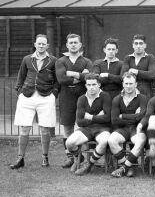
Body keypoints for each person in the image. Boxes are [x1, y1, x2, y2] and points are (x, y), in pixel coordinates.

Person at [10, 34, 59, 169]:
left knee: (44, 129)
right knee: (24, 128)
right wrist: (19, 91)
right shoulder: (27, 59)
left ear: (47, 46)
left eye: (44, 44)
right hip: (27, 96)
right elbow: (21, 76)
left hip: (46, 96)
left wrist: (54, 94)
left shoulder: (53, 60)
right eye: (39, 44)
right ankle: (20, 159)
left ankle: (45, 157)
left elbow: (57, 80)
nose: (41, 46)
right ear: (35, 44)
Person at [56, 33, 92, 169]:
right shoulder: (61, 61)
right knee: (68, 127)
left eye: (75, 42)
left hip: (83, 96)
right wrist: (79, 76)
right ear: (67, 45)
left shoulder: (87, 61)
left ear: (80, 44)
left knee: (84, 126)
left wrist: (70, 74)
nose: (73, 44)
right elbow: (61, 79)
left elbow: (88, 77)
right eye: (70, 42)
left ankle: (86, 158)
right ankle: (71, 157)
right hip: (66, 96)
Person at [65, 73, 112, 176]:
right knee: (69, 143)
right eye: (89, 85)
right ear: (85, 85)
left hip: (103, 128)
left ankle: (89, 164)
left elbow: (107, 118)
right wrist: (97, 117)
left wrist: (89, 116)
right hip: (86, 129)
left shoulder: (105, 96)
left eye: (94, 84)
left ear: (99, 84)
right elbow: (79, 121)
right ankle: (79, 158)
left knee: (104, 141)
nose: (91, 87)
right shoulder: (82, 99)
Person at [109, 72, 148, 178]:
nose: (128, 86)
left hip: (137, 128)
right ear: (122, 84)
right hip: (122, 129)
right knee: (111, 140)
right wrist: (134, 116)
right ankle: (128, 167)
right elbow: (114, 120)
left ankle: (123, 169)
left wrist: (122, 116)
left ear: (136, 84)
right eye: (126, 83)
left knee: (140, 141)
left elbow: (142, 116)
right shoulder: (117, 99)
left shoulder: (142, 98)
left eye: (131, 83)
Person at [121, 34, 155, 98]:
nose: (138, 46)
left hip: (145, 91)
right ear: (133, 45)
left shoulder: (150, 57)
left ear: (145, 45)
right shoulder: (128, 58)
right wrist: (145, 74)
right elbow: (122, 75)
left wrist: (137, 72)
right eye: (136, 43)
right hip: (130, 91)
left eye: (141, 43)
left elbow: (152, 75)